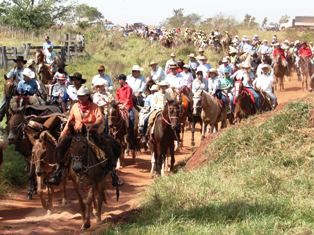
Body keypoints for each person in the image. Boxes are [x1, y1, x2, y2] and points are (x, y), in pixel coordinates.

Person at [116, 74, 136, 159]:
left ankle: (131, 133)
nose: (119, 81)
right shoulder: (118, 89)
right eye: (119, 80)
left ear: (123, 80)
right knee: (112, 117)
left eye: (120, 79)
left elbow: (128, 99)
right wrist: (118, 104)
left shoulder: (129, 88)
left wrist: (124, 105)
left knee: (131, 118)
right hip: (120, 106)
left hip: (128, 107)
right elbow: (116, 98)